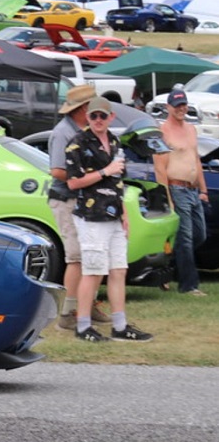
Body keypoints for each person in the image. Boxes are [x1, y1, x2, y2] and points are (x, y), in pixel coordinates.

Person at [65, 97, 153, 342]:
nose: (98, 120)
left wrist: (124, 213)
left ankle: (120, 325)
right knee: (93, 271)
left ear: (111, 117)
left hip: (114, 215)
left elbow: (118, 182)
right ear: (88, 117)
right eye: (93, 116)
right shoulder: (77, 144)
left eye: (103, 116)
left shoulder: (114, 141)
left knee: (118, 270)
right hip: (92, 217)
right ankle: (82, 326)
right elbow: (72, 182)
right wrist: (105, 171)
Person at [48, 84, 110, 331]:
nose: (96, 113)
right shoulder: (62, 132)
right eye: (92, 108)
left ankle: (88, 304)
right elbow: (56, 171)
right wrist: (91, 176)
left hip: (84, 198)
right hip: (67, 199)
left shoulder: (83, 130)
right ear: (83, 108)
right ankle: (67, 313)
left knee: (92, 254)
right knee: (75, 257)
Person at [155, 88, 209, 296]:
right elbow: (160, 168)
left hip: (193, 190)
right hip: (176, 188)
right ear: (169, 107)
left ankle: (166, 268)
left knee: (200, 234)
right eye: (177, 105)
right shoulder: (163, 132)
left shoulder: (191, 129)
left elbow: (196, 160)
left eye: (184, 104)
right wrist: (167, 198)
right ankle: (189, 286)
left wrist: (203, 189)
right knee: (185, 237)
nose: (181, 108)